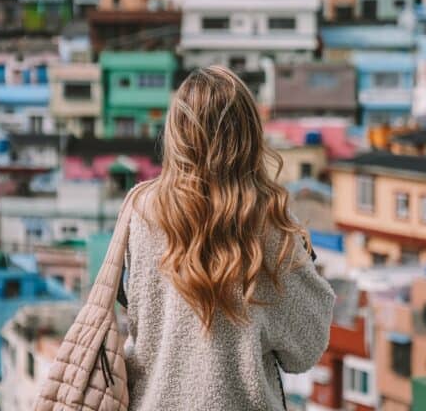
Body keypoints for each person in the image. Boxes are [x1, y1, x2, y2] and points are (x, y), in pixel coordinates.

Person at [121, 66, 336, 410]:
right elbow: (306, 347)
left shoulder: (142, 209)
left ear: (176, 133)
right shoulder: (267, 225)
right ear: (249, 134)